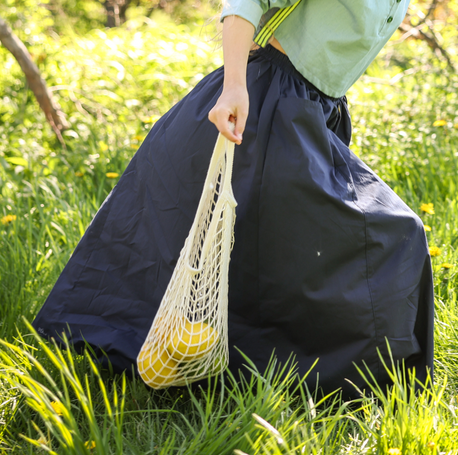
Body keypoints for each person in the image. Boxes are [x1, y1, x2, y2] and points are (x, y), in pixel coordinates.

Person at [33, 0, 434, 398]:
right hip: (264, 104)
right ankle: (372, 377)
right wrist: (234, 87)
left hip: (309, 113)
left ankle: (252, 368)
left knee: (268, 249)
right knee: (396, 234)